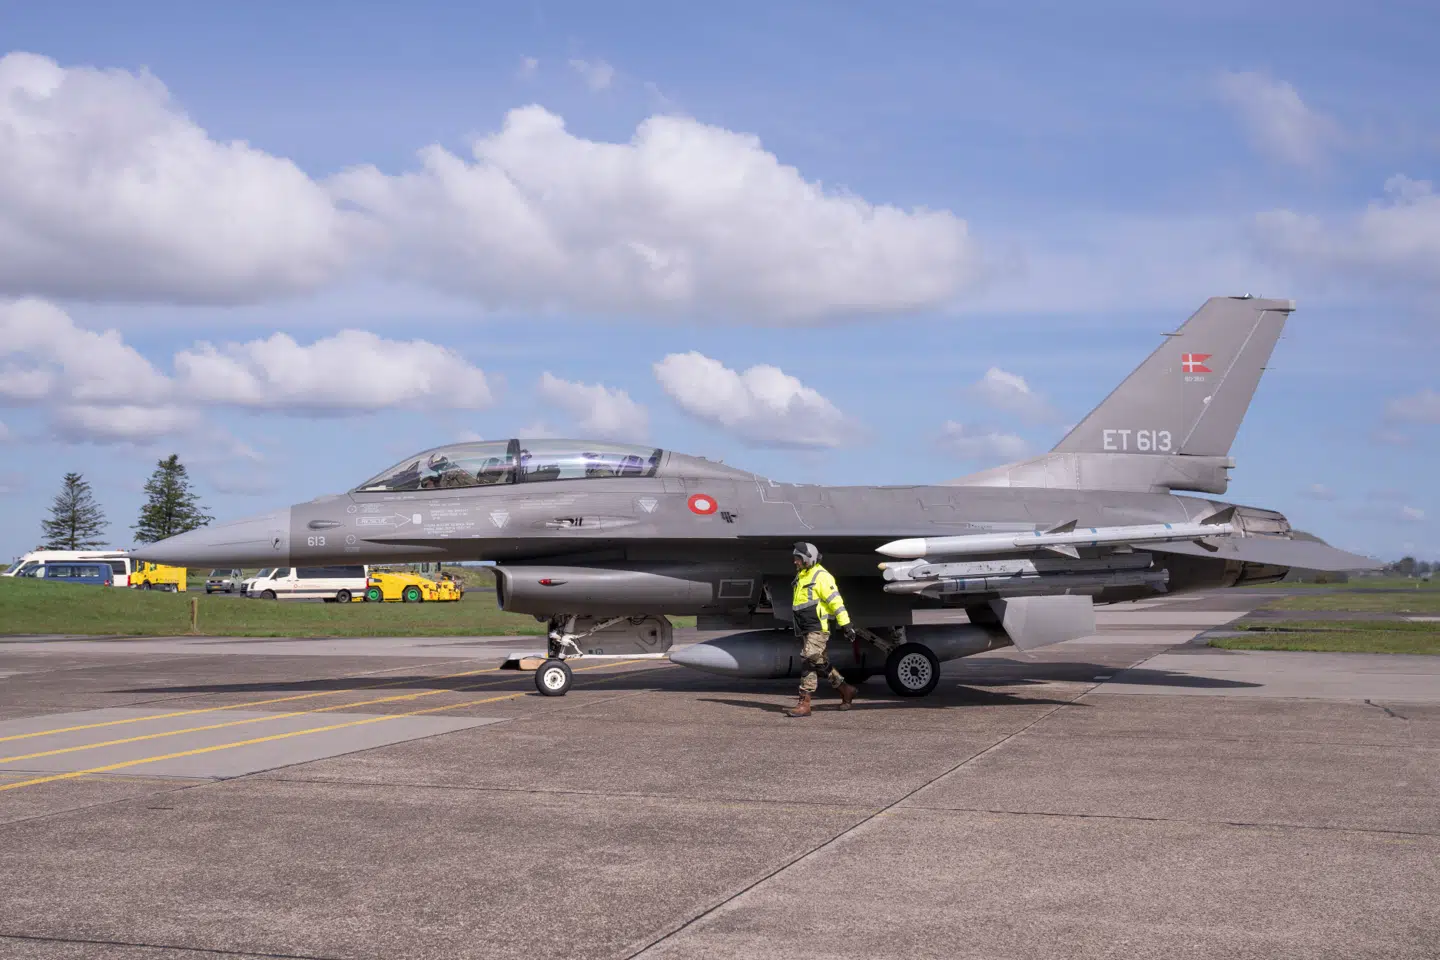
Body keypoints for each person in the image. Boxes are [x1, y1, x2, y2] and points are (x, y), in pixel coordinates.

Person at [786, 542, 858, 718]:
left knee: (808, 658)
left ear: (808, 558)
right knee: (820, 664)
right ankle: (846, 689)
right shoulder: (803, 576)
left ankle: (805, 702)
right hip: (806, 628)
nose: (795, 562)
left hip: (818, 628)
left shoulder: (822, 576)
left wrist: (846, 625)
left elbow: (836, 602)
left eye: (798, 558)